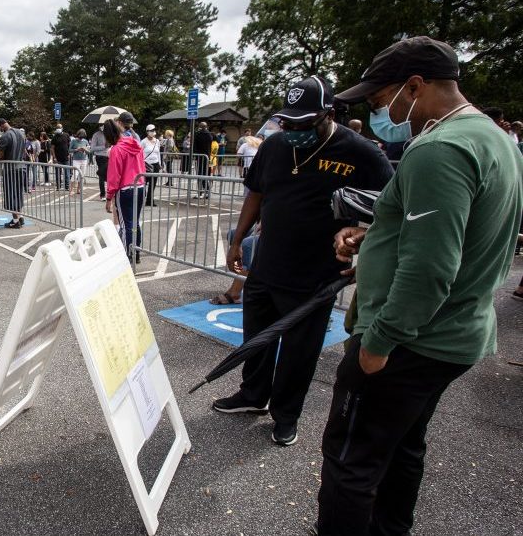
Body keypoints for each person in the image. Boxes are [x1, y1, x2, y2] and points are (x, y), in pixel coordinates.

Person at [316, 36, 523, 536]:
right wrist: (375, 240)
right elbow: (460, 230)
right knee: (402, 445)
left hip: (410, 339)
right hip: (455, 332)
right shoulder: (494, 139)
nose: (381, 113)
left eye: (381, 99)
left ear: (414, 86)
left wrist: (378, 344)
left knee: (351, 458)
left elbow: (431, 267)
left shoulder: (439, 149)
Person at [214, 75, 394, 447]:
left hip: (315, 274)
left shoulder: (362, 153)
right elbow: (256, 193)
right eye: (288, 123)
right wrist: (239, 239)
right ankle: (253, 395)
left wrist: (365, 242)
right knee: (257, 339)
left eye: (304, 123)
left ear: (329, 114)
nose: (294, 131)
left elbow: (393, 209)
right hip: (267, 265)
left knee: (299, 352)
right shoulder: (274, 146)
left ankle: (286, 415)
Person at [104, 119, 146, 261]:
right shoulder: (136, 144)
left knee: (126, 224)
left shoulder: (116, 149)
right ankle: (136, 254)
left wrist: (109, 197)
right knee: (135, 222)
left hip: (125, 189)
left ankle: (127, 255)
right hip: (140, 186)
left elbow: (114, 176)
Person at [0, 118, 28, 229]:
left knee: (11, 194)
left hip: (10, 169)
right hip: (21, 167)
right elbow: (24, 150)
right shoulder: (21, 133)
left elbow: (0, 155)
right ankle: (20, 217)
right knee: (18, 193)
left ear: (1, 126)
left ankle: (15, 221)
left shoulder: (5, 136)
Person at [140, 124, 162, 206]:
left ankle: (150, 201)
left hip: (155, 164)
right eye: (151, 130)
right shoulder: (143, 142)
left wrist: (160, 163)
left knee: (153, 184)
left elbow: (158, 153)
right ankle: (141, 198)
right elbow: (139, 153)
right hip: (146, 164)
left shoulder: (157, 141)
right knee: (144, 183)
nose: (153, 132)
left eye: (154, 130)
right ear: (147, 132)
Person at [193, 121, 213, 197]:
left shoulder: (197, 134)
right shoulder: (209, 135)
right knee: (206, 174)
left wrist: (194, 155)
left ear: (200, 127)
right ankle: (207, 191)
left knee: (200, 174)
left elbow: (194, 146)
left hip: (200, 157)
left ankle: (201, 191)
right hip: (208, 157)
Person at [90, 125, 110, 200]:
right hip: (100, 157)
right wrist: (104, 146)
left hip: (110, 156)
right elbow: (92, 148)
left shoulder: (109, 133)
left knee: (110, 175)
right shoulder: (96, 135)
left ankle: (110, 193)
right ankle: (102, 194)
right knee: (102, 175)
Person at [69, 129, 90, 196]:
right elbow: (69, 150)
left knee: (82, 175)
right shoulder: (73, 141)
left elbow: (89, 151)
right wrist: (76, 149)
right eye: (80, 137)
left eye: (82, 137)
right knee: (75, 175)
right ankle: (71, 190)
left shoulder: (85, 141)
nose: (81, 138)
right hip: (76, 160)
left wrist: (85, 149)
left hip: (84, 160)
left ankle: (79, 189)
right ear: (78, 135)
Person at [51, 125, 71, 190]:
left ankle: (67, 186)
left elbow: (69, 145)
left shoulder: (66, 135)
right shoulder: (54, 137)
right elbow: (52, 148)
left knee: (67, 173)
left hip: (66, 157)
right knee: (58, 173)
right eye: (57, 128)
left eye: (59, 127)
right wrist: (54, 157)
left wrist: (69, 153)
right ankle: (58, 186)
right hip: (58, 158)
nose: (58, 129)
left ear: (62, 128)